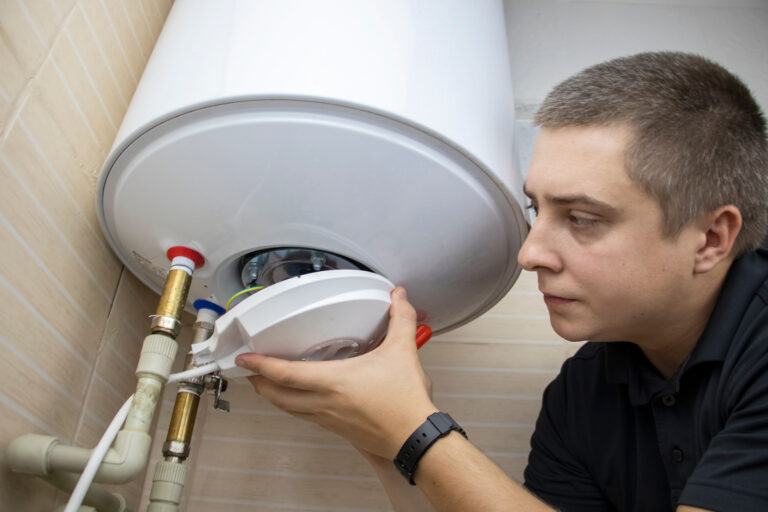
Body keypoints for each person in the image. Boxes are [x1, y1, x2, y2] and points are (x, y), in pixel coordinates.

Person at [234, 52, 768, 511]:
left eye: (582, 218)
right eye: (536, 209)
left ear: (711, 238)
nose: (529, 253)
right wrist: (379, 434)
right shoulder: (583, 395)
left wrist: (416, 431)